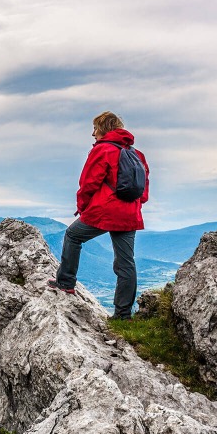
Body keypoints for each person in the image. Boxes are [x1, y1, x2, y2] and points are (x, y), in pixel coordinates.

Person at [46, 111, 150, 320]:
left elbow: (88, 183)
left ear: (103, 129)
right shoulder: (137, 154)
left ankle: (66, 283)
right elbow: (144, 189)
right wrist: (134, 205)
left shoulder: (102, 150)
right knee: (126, 263)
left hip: (104, 210)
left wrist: (83, 207)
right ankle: (122, 315)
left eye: (95, 128)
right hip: (130, 213)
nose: (92, 134)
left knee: (73, 235)